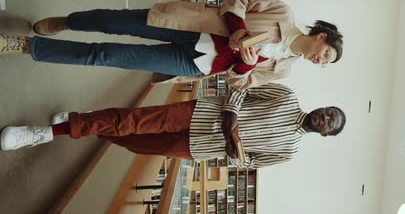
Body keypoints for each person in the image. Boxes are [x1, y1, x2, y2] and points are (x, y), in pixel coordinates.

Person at [0, 0, 343, 90]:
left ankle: (29, 46)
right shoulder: (283, 12)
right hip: (190, 27)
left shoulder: (283, 70)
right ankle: (69, 22)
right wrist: (237, 26)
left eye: (324, 64)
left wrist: (245, 64)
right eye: (325, 55)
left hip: (193, 63)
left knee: (105, 56)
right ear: (321, 36)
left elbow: (240, 84)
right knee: (114, 21)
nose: (319, 61)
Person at [0, 83, 346, 169]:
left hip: (199, 148)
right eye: (329, 110)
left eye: (330, 122)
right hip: (200, 114)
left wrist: (234, 151)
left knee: (133, 142)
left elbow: (248, 162)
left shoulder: (289, 151)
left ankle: (75, 123)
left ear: (327, 134)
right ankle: (43, 134)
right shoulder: (287, 96)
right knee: (129, 122)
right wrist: (231, 118)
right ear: (323, 104)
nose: (325, 117)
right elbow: (242, 90)